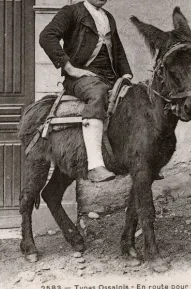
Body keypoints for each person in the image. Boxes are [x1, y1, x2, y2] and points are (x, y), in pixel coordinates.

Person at [39, 0, 133, 182]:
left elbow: (118, 50)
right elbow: (46, 36)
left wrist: (127, 74)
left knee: (136, 97)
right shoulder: (71, 12)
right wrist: (69, 68)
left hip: (110, 77)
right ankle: (95, 166)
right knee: (97, 94)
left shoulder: (108, 17)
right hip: (80, 79)